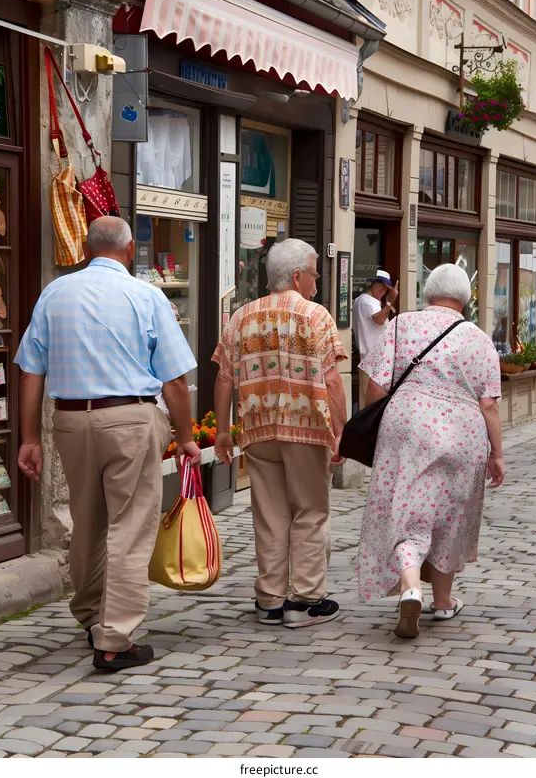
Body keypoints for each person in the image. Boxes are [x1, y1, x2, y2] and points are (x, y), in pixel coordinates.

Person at [15, 216, 200, 671]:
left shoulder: (54, 294)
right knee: (130, 525)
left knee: (89, 520)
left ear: (85, 246)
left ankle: (90, 612)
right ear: (130, 248)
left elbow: (30, 370)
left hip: (72, 421)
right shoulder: (146, 295)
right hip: (131, 418)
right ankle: (115, 638)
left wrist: (29, 438)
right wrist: (186, 436)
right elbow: (175, 380)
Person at [357, 263, 505, 639]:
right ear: (465, 299)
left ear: (428, 293)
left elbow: (375, 385)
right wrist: (497, 455)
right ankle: (443, 601)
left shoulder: (401, 324)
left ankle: (410, 585)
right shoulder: (478, 338)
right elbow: (489, 404)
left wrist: (375, 423)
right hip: (462, 432)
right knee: (452, 514)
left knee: (405, 508)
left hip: (405, 426)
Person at [213, 238, 347, 628]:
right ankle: (304, 600)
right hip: (305, 427)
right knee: (309, 510)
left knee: (269, 513)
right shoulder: (315, 316)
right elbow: (332, 380)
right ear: (296, 276)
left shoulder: (241, 317)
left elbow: (224, 377)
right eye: (314, 275)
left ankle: (270, 599)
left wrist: (223, 431)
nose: (317, 283)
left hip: (258, 428)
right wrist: (340, 430)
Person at [352, 269, 399, 408]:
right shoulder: (369, 301)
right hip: (374, 358)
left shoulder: (360, 300)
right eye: (381, 285)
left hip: (368, 357)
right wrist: (390, 303)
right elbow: (378, 319)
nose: (383, 290)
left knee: (366, 399)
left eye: (386, 287)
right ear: (372, 284)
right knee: (372, 402)